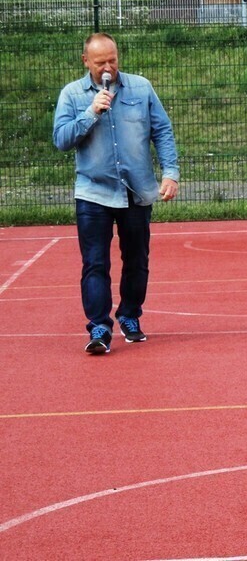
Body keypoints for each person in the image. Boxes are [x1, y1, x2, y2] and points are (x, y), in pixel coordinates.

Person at [53, 33, 179, 355]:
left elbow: (162, 130)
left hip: (136, 191)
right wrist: (91, 112)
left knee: (137, 260)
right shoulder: (72, 94)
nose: (108, 67)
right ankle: (98, 326)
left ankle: (130, 315)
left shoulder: (141, 87)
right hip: (93, 192)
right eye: (100, 62)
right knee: (94, 263)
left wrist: (170, 173)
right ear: (86, 62)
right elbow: (61, 139)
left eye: (112, 59)